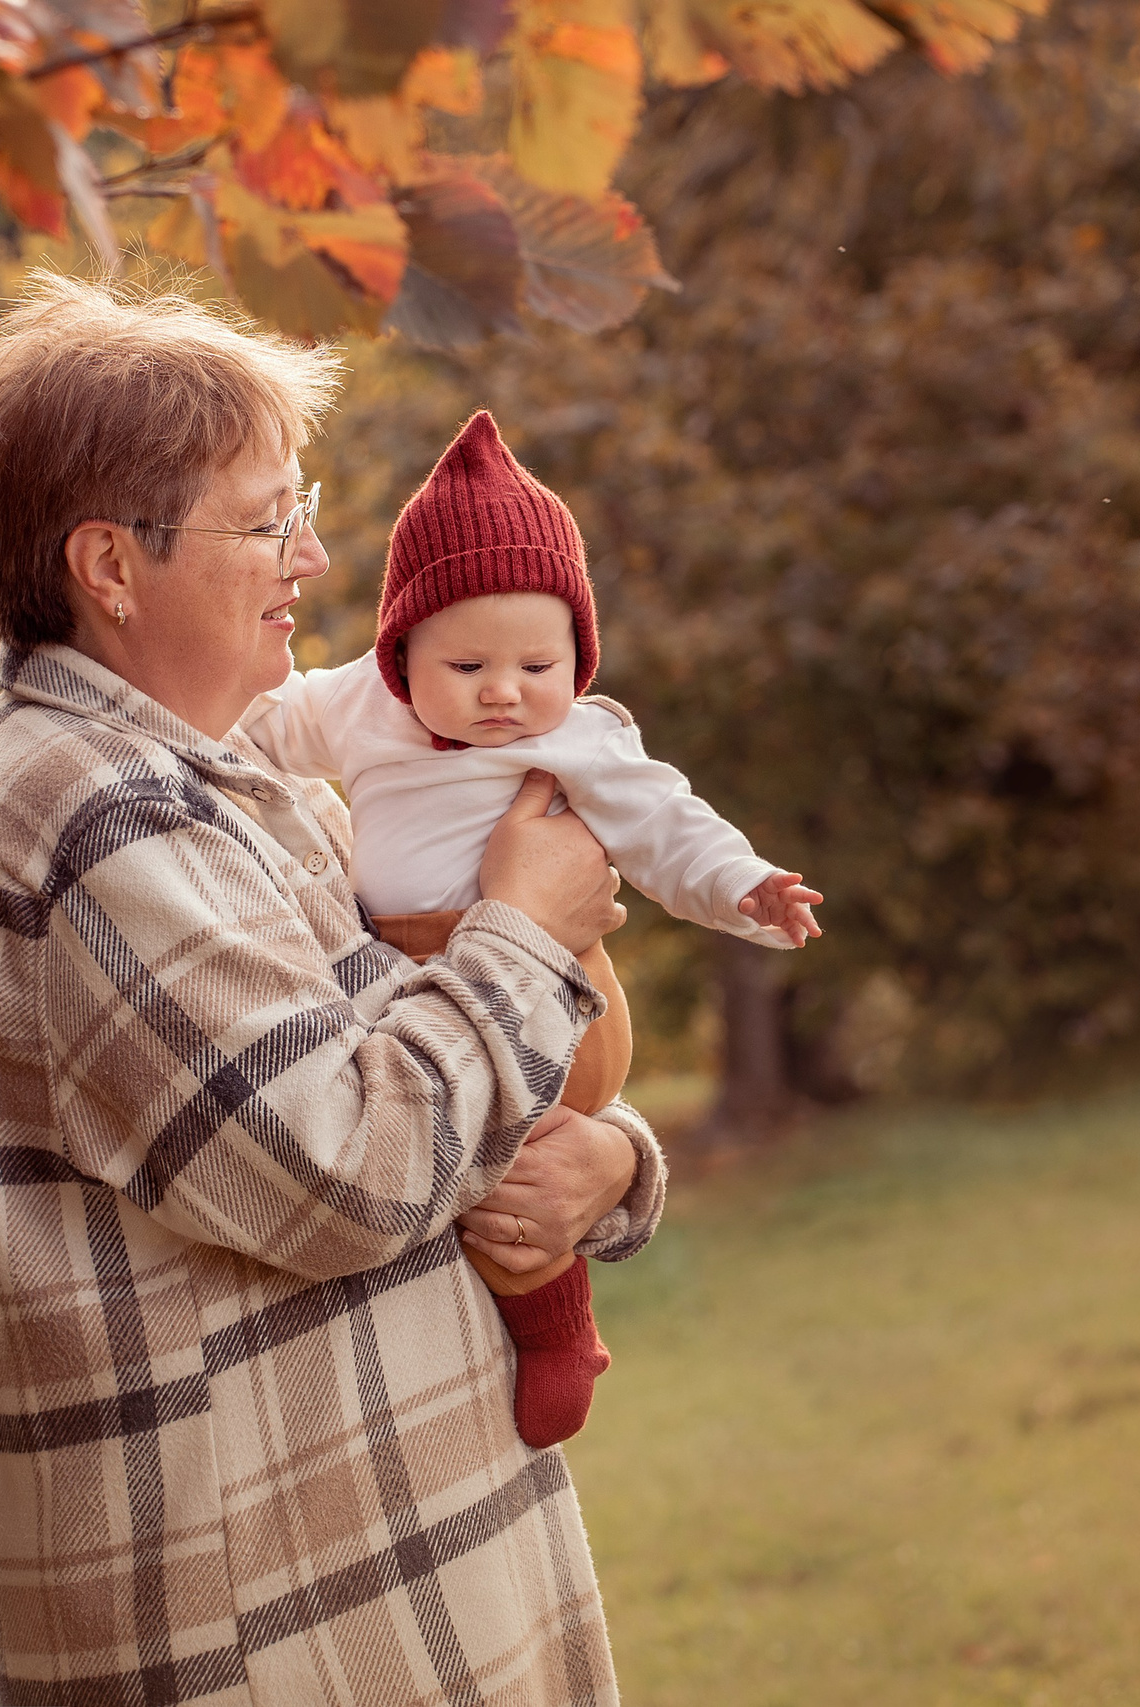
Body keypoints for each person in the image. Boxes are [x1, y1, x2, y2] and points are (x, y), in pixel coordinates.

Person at [0, 273, 667, 1706]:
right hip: (272, 1636)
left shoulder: (233, 783)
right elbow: (351, 1174)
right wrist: (526, 929)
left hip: (396, 1574)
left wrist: (612, 1160)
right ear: (111, 564)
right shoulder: (93, 816)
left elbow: (423, 1071)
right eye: (268, 519)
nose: (314, 556)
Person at [242, 410, 824, 1449]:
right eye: (467, 667)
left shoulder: (579, 741)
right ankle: (525, 1320)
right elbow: (256, 724)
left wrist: (743, 887)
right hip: (409, 983)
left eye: (539, 666)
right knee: (464, 1157)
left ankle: (558, 1329)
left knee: (516, 1168)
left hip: (556, 995)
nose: (505, 693)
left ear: (576, 659)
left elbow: (665, 824)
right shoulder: (357, 707)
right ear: (400, 654)